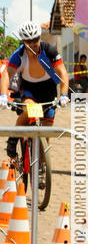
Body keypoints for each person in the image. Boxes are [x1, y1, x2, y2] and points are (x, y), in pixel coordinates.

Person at [0, 21, 70, 161]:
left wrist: (63, 94)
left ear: (39, 38)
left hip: (48, 90)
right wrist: (3, 95)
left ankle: (42, 168)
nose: (32, 44)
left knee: (46, 132)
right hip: (29, 90)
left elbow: (62, 73)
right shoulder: (18, 55)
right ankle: (13, 139)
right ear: (23, 42)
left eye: (35, 40)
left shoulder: (49, 51)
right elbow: (7, 74)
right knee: (31, 110)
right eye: (28, 41)